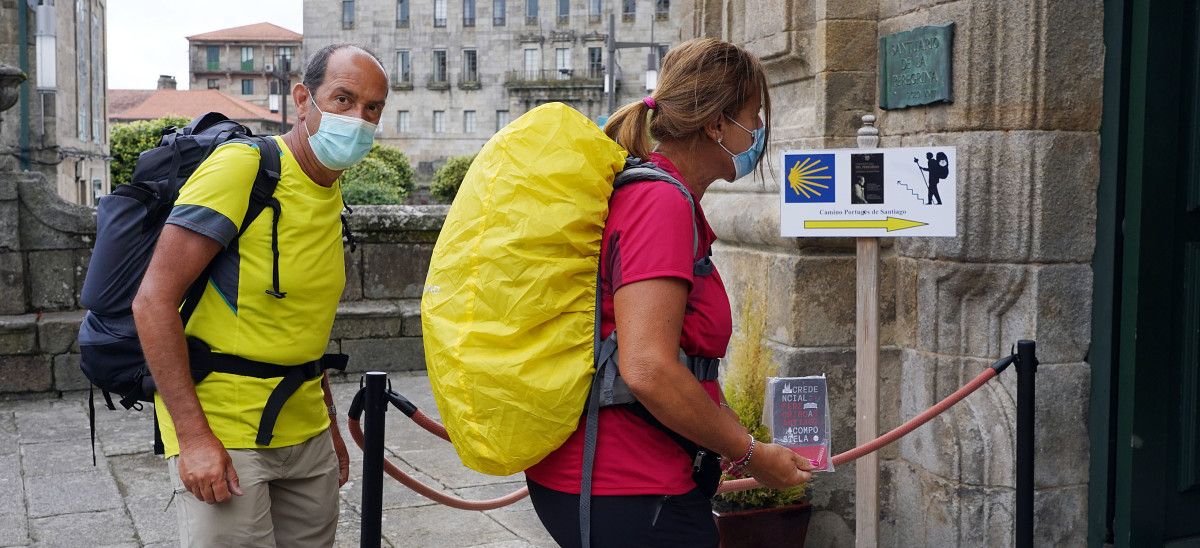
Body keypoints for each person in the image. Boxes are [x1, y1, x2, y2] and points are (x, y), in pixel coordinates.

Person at [523, 38, 813, 547]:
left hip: (614, 480)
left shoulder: (656, 192)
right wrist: (750, 453)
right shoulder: (661, 203)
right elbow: (649, 369)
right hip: (629, 488)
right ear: (717, 124)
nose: (759, 130)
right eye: (753, 115)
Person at [132, 44, 388, 547]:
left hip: (306, 428)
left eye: (372, 108)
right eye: (343, 99)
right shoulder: (244, 169)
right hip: (226, 430)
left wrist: (330, 427)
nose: (358, 119)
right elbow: (153, 301)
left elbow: (301, 327)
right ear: (302, 99)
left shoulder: (329, 190)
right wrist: (194, 439)